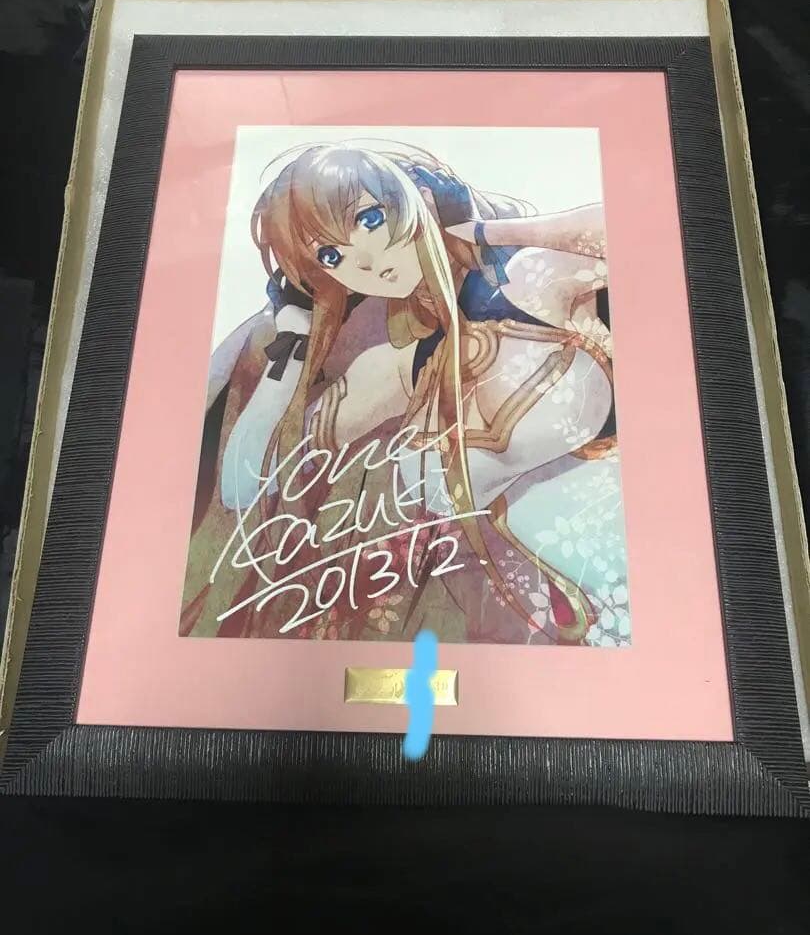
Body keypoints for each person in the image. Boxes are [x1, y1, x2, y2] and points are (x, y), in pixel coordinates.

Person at [182, 141, 629, 647]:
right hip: (552, 623)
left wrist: (485, 233)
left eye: (369, 219)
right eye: (332, 256)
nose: (365, 261)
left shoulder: (524, 280)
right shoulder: (398, 368)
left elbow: (636, 237)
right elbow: (249, 482)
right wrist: (295, 334)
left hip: (642, 569)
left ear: (417, 198)